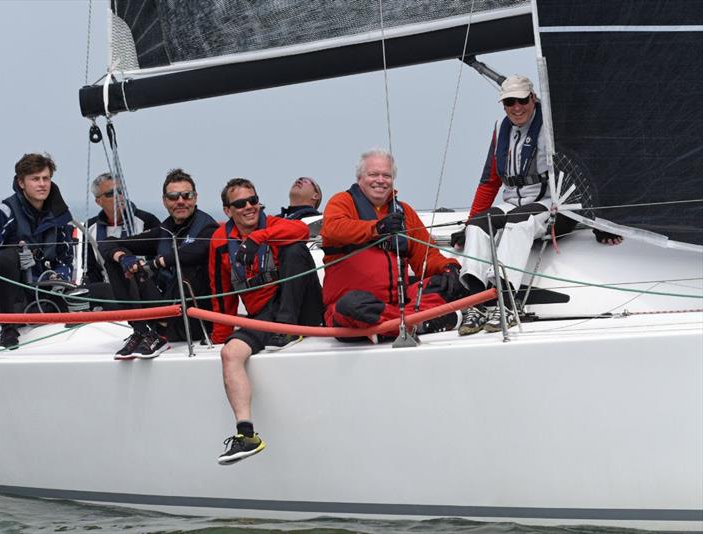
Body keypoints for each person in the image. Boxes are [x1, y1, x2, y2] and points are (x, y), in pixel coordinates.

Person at [453, 74, 622, 336]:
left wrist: (596, 221)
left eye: (522, 100)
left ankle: (508, 304)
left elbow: (585, 171)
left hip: (555, 206)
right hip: (514, 203)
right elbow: (489, 181)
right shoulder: (502, 129)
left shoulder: (552, 127)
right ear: (503, 105)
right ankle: (478, 302)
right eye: (510, 102)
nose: (516, 107)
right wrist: (467, 224)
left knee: (519, 221)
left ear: (533, 98)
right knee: (478, 225)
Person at [210, 178, 323, 465]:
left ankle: (287, 330)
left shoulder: (274, 224)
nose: (249, 207)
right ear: (227, 210)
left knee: (295, 248)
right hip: (264, 316)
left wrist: (258, 238)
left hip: (301, 309)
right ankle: (246, 435)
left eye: (253, 200)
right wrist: (221, 333)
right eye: (240, 204)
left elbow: (300, 230)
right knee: (229, 354)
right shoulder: (220, 242)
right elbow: (221, 290)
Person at [320, 148, 464, 340]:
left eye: (386, 175)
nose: (380, 180)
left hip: (399, 304)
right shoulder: (341, 202)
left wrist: (449, 267)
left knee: (445, 283)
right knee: (351, 305)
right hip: (356, 308)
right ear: (360, 178)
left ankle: (389, 327)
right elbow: (333, 228)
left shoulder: (404, 211)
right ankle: (420, 323)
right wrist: (376, 228)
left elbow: (426, 255)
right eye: (373, 174)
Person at [99, 169, 219, 359]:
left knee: (184, 265)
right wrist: (124, 259)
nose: (180, 201)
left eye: (186, 195)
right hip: (164, 310)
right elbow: (108, 244)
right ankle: (143, 331)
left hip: (195, 318)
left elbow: (195, 252)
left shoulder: (209, 226)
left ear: (195, 198)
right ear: (164, 201)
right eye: (173, 197)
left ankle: (159, 334)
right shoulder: (163, 230)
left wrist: (156, 263)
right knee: (114, 261)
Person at [0, 153, 74, 348]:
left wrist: (58, 276)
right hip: (7, 297)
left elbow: (66, 258)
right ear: (21, 183)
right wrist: (20, 259)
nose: (42, 184)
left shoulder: (60, 218)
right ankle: (8, 327)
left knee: (103, 290)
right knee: (6, 257)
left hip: (47, 293)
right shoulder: (2, 214)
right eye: (35, 179)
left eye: (46, 178)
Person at [84, 173, 160, 284]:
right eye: (111, 193)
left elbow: (160, 259)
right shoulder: (90, 227)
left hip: (144, 287)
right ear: (98, 201)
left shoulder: (147, 221)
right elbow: (91, 270)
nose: (118, 196)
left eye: (120, 191)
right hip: (108, 291)